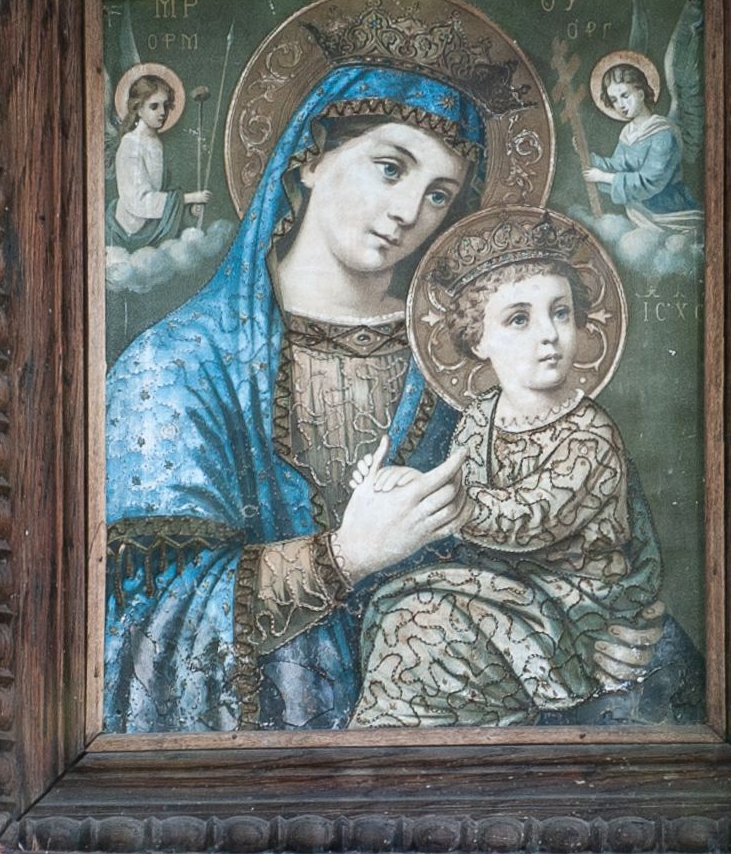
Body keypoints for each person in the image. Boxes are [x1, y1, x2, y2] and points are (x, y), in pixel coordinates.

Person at [103, 61, 492, 730]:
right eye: (390, 168)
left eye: (438, 195)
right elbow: (147, 622)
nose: (408, 213)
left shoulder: (470, 361)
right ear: (310, 159)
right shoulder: (175, 364)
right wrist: (345, 557)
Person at [351, 211, 668, 727]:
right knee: (406, 618)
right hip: (504, 590)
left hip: (576, 609)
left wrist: (438, 496)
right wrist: (393, 490)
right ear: (478, 339)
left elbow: (529, 518)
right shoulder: (481, 416)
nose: (549, 335)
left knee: (425, 626)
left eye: (561, 313)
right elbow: (464, 493)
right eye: (519, 319)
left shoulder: (590, 434)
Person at [586, 54, 700, 231]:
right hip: (641, 214)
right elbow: (618, 166)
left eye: (625, 95)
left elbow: (651, 181)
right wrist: (586, 156)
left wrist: (604, 177)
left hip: (670, 214)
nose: (620, 105)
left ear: (640, 93)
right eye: (614, 100)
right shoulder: (628, 133)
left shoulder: (663, 133)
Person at [110, 69, 180, 247]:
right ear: (138, 109)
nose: (163, 112)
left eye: (166, 105)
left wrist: (186, 207)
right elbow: (138, 202)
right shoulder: (130, 144)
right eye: (154, 106)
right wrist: (186, 200)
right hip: (129, 231)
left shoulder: (157, 143)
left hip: (154, 225)